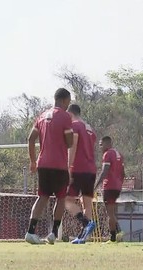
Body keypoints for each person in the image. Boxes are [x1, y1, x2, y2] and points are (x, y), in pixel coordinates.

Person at [25, 88, 73, 245]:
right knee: (61, 197)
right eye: (68, 102)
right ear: (64, 100)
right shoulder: (65, 116)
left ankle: (31, 232)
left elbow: (31, 139)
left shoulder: (42, 116)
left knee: (43, 197)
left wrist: (33, 161)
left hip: (43, 163)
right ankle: (53, 233)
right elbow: (70, 142)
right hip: (58, 165)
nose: (68, 105)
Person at [66, 104, 97, 244]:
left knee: (66, 200)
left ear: (70, 114)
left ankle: (86, 223)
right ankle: (83, 237)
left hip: (78, 169)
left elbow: (73, 146)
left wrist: (67, 167)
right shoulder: (90, 129)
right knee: (87, 204)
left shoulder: (75, 126)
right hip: (91, 169)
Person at [94, 136, 125, 243]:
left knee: (110, 213)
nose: (100, 147)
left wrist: (96, 185)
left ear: (107, 143)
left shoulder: (107, 154)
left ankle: (114, 236)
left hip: (109, 186)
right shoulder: (119, 155)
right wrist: (120, 183)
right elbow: (123, 173)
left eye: (101, 145)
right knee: (112, 212)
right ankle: (116, 235)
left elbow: (104, 171)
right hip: (117, 187)